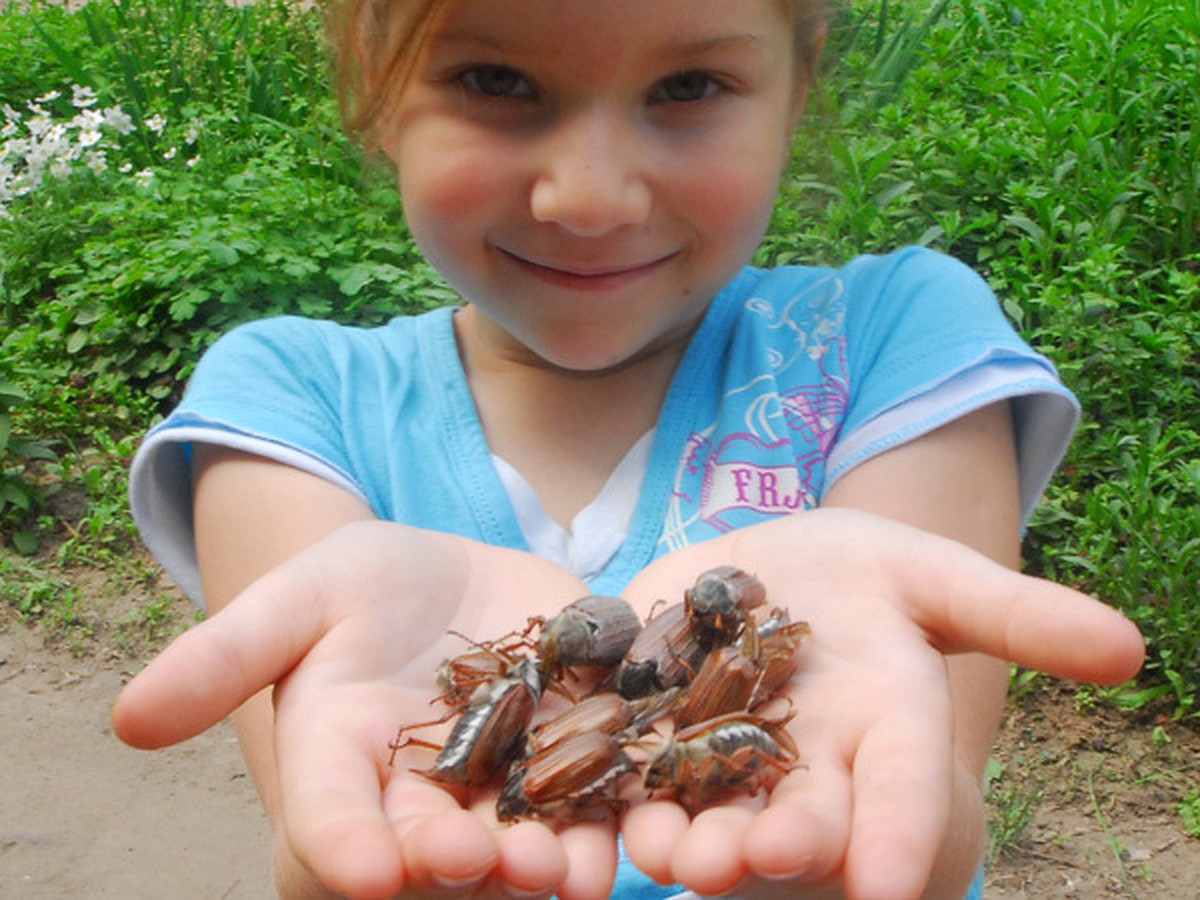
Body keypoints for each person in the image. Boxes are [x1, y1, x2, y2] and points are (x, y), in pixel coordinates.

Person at [112, 1, 1145, 898]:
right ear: (378, 89)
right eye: (495, 79)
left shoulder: (893, 335)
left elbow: (919, 814)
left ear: (797, 90)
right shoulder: (287, 396)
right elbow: (334, 835)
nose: (591, 196)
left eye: (689, 84)